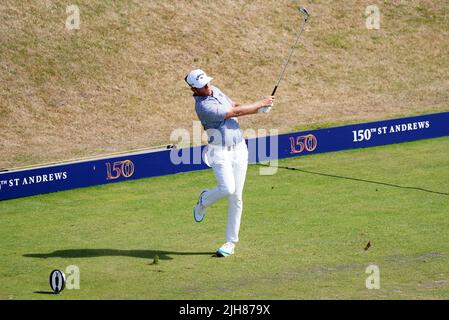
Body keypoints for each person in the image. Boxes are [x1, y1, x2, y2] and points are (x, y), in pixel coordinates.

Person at [184, 69, 274, 257]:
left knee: (237, 196)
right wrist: (260, 103)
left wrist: (259, 109)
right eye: (203, 86)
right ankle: (203, 200)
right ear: (194, 89)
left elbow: (233, 104)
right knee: (227, 188)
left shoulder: (214, 89)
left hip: (240, 148)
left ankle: (230, 242)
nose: (208, 87)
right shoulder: (203, 108)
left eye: (207, 83)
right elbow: (234, 112)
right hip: (219, 151)